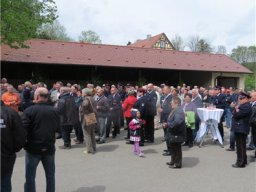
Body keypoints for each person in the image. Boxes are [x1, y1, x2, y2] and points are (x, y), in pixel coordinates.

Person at [22, 87, 60, 192]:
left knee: (30, 177)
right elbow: (58, 129)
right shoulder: (54, 111)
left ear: (37, 97)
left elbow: (22, 130)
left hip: (33, 149)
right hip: (49, 148)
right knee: (50, 176)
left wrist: (23, 144)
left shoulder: (29, 110)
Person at [1, 101, 26, 192]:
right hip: (7, 155)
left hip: (6, 154)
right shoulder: (11, 112)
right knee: (5, 181)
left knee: (5, 181)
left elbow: (20, 134)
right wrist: (14, 149)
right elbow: (20, 135)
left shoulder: (10, 113)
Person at [230, 92, 251, 168]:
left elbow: (236, 115)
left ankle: (240, 163)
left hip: (241, 128)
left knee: (240, 146)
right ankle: (243, 160)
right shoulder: (242, 105)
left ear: (246, 99)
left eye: (241, 98)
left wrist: (233, 108)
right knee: (241, 146)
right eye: (239, 98)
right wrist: (235, 110)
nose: (239, 100)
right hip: (239, 128)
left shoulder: (246, 106)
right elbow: (234, 113)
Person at [164, 97, 186, 169]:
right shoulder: (175, 109)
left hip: (177, 133)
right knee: (173, 147)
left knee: (177, 148)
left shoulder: (179, 111)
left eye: (172, 103)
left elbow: (177, 122)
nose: (170, 104)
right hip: (173, 132)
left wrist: (168, 125)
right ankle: (173, 161)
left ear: (177, 103)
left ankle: (177, 164)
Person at [79, 88, 97, 154]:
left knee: (87, 134)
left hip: (86, 118)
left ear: (85, 93)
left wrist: (81, 110)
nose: (82, 93)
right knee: (92, 133)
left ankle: (89, 149)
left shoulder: (86, 99)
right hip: (92, 117)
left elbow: (85, 105)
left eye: (82, 92)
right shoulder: (92, 98)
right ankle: (94, 147)